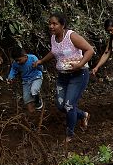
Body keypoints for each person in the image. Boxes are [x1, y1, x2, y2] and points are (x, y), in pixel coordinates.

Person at [34, 13, 93, 141]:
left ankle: (70, 134)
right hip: (63, 76)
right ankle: (83, 115)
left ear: (62, 25)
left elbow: (90, 50)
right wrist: (41, 61)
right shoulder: (53, 37)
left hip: (78, 75)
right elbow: (53, 52)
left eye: (54, 24)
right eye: (50, 23)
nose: (51, 26)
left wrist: (79, 64)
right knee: (61, 106)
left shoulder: (71, 36)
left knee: (69, 105)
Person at [7, 47, 44, 113]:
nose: (18, 62)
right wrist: (10, 77)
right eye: (16, 60)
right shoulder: (16, 63)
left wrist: (37, 65)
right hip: (26, 81)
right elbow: (13, 69)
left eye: (19, 60)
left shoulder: (33, 58)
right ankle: (32, 113)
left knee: (34, 90)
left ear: (25, 56)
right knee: (26, 98)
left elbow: (40, 66)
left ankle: (38, 102)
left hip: (36, 77)